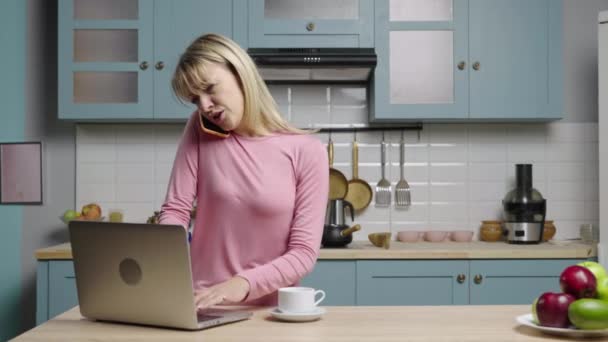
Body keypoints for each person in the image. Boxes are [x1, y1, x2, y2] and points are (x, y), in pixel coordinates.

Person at [158, 33, 329, 310]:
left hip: (272, 312)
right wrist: (161, 255)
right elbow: (176, 209)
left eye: (210, 88)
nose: (204, 106)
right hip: (200, 305)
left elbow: (303, 254)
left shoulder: (307, 151)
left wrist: (239, 285)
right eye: (194, 99)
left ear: (239, 72)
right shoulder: (199, 129)